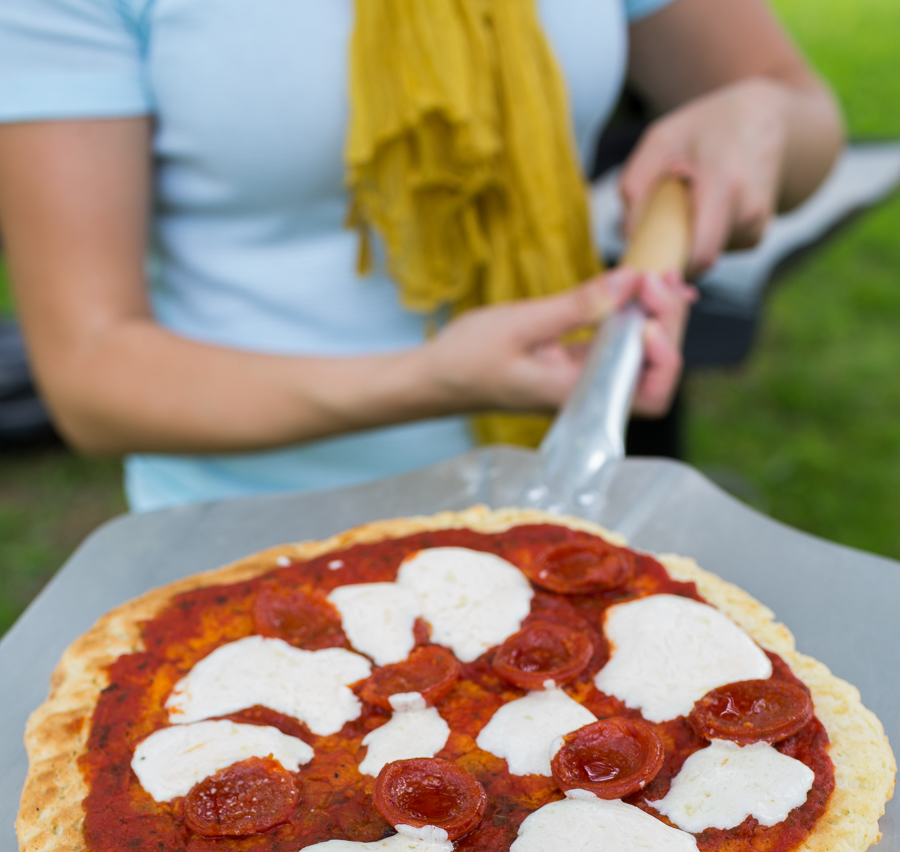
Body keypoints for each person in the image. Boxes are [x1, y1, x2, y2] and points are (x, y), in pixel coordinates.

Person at [0, 0, 842, 512]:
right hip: (254, 539)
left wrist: (759, 116)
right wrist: (430, 377)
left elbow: (799, 108)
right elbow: (90, 374)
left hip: (560, 503)